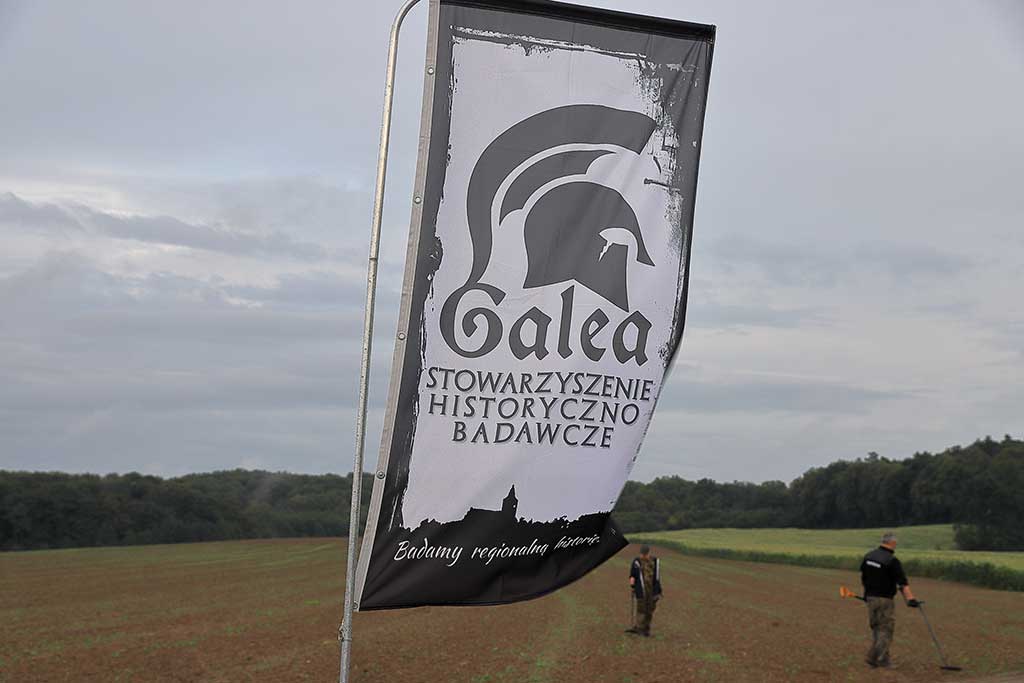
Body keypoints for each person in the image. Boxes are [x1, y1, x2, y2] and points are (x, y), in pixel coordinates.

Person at [861, 532, 921, 668]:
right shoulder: (892, 561)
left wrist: (866, 594)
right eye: (896, 544)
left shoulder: (869, 556)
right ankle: (874, 657)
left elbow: (864, 577)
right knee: (886, 629)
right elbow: (902, 583)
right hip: (885, 599)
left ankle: (883, 659)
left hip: (870, 598)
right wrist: (910, 599)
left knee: (876, 628)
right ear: (892, 543)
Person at [627, 544, 662, 637]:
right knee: (641, 610)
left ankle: (646, 629)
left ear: (648, 553)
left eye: (645, 554)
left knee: (649, 610)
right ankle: (639, 628)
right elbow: (632, 575)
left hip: (652, 591)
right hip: (641, 590)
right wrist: (632, 585)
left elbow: (657, 577)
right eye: (642, 554)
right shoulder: (636, 562)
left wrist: (658, 591)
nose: (643, 556)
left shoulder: (655, 561)